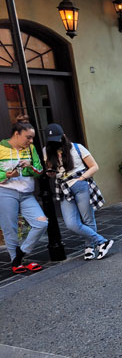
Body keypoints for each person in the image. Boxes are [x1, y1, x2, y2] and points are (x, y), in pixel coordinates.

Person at [43, 123, 113, 261]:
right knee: (71, 224)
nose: (56, 143)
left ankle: (89, 247)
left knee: (88, 219)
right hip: (63, 187)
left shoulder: (77, 148)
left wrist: (81, 178)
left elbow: (94, 166)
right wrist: (50, 173)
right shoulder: (47, 151)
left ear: (63, 136)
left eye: (58, 139)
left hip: (80, 184)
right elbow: (51, 171)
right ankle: (102, 241)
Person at [0, 115, 48, 273]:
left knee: (41, 223)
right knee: (10, 229)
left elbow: (39, 171)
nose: (31, 141)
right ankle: (17, 263)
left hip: (27, 194)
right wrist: (6, 175)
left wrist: (28, 166)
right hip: (6, 192)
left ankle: (20, 255)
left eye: (32, 138)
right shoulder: (1, 147)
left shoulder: (31, 149)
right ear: (16, 134)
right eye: (28, 137)